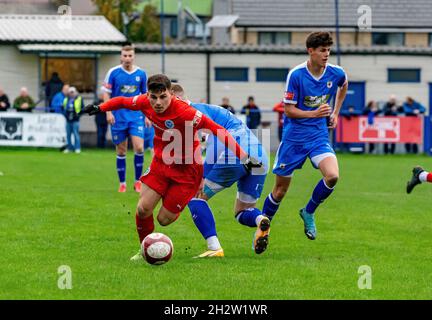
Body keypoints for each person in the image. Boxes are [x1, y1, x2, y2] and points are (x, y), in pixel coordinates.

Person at [82, 74, 261, 261]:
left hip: (186, 173)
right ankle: (145, 250)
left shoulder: (187, 112)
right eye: (153, 97)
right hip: (161, 165)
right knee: (143, 209)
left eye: (163, 97)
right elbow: (122, 101)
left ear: (171, 94)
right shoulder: (145, 101)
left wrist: (243, 157)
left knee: (163, 220)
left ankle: (176, 197)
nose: (157, 102)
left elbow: (219, 130)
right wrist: (100, 107)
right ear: (148, 94)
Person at [261, 31, 348, 240]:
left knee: (333, 176)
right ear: (311, 51)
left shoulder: (335, 73)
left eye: (328, 50)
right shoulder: (297, 75)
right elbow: (288, 110)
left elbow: (344, 85)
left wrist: (335, 113)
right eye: (322, 50)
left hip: (318, 137)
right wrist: (314, 113)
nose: (326, 54)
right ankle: (263, 227)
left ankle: (308, 211)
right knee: (280, 191)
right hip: (294, 139)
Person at [171, 84, 270, 257]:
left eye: (164, 98)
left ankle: (214, 247)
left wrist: (199, 174)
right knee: (242, 211)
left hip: (233, 150)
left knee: (195, 195)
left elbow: (208, 142)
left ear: (174, 98)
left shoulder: (189, 113)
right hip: (260, 153)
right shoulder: (209, 109)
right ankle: (261, 219)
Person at [102, 44, 148, 193]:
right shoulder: (113, 72)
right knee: (121, 151)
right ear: (121, 56)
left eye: (130, 56)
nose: (127, 58)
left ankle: (138, 181)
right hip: (118, 117)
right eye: (125, 56)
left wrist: (148, 115)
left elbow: (146, 97)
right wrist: (108, 112)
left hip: (135, 116)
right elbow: (106, 94)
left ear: (134, 56)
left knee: (139, 147)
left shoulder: (141, 74)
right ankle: (122, 183)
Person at [62, 87, 84, 153]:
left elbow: (83, 108)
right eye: (70, 92)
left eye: (72, 92)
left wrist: (79, 115)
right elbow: (63, 107)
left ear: (75, 92)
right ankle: (69, 148)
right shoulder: (66, 99)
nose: (71, 94)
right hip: (68, 119)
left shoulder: (79, 99)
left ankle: (77, 148)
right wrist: (65, 115)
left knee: (76, 134)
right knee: (68, 135)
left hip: (75, 119)